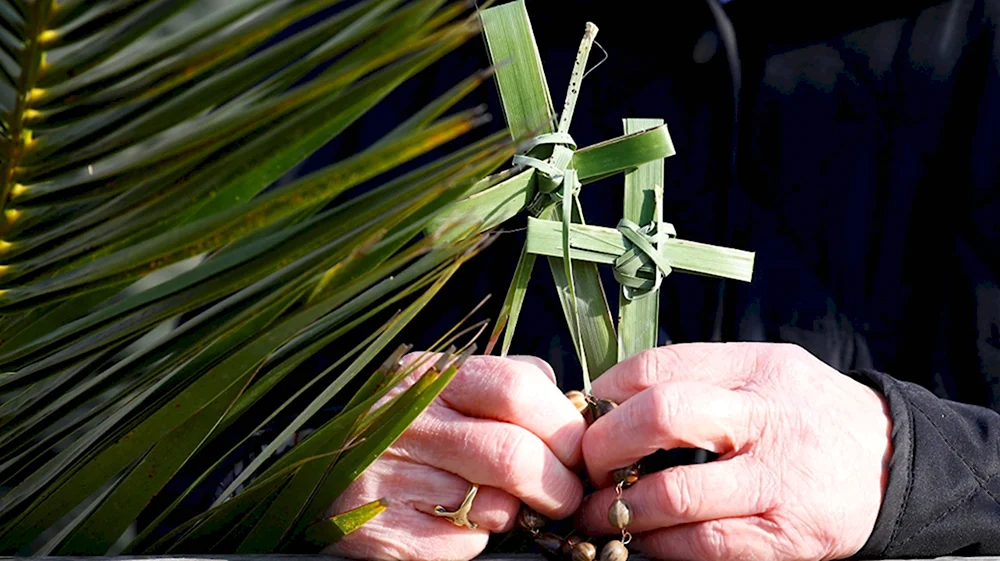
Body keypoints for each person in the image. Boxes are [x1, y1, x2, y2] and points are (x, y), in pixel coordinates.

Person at [320, 0, 1000, 558]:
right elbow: (233, 428)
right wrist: (310, 469)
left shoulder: (977, 42)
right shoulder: (385, 41)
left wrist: (906, 462)